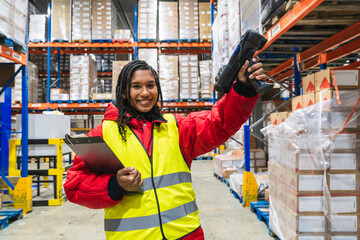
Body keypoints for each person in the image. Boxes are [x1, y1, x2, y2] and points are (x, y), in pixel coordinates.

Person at [64, 58, 265, 240]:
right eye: (136, 87)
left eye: (150, 86)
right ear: (124, 92)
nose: (145, 93)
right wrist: (115, 185)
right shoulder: (103, 134)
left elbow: (218, 122)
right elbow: (75, 185)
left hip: (186, 235)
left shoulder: (176, 127)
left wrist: (243, 88)